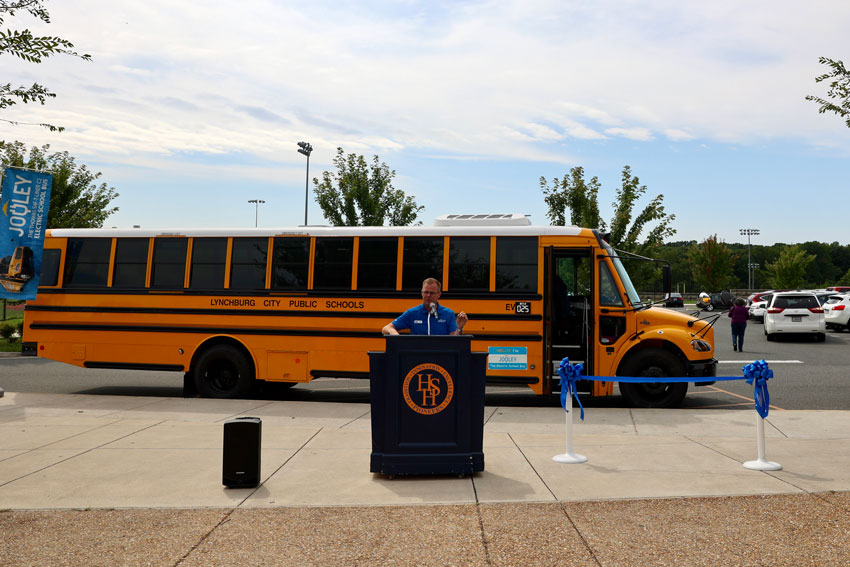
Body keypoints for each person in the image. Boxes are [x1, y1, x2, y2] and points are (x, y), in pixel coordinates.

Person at [382, 277, 468, 336]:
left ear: (439, 294)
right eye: (425, 292)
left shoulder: (448, 313)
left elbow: (454, 341)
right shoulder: (412, 313)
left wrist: (459, 327)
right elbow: (386, 328)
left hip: (441, 356)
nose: (428, 295)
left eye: (432, 293)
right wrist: (393, 332)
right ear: (421, 293)